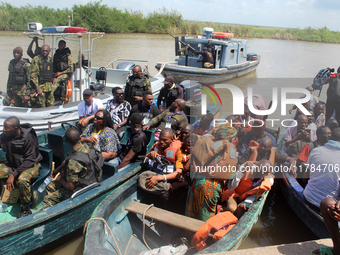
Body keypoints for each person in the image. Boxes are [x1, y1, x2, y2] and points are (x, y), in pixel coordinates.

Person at [43, 128, 100, 208]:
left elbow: (70, 187)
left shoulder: (73, 162)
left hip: (80, 189)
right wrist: (59, 168)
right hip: (91, 179)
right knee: (51, 186)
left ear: (66, 141)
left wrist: (60, 180)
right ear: (80, 138)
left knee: (47, 199)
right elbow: (71, 158)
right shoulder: (85, 147)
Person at [0, 117, 42, 218]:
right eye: (4, 127)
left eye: (6, 128)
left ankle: (25, 209)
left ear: (15, 128)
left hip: (31, 166)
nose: (4, 129)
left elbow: (30, 160)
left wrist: (13, 174)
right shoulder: (5, 135)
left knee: (22, 180)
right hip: (13, 165)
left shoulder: (28, 137)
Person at [138, 128, 184, 208]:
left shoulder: (178, 151)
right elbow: (143, 160)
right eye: (160, 139)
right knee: (142, 178)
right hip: (156, 173)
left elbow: (178, 173)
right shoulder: (156, 146)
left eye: (164, 140)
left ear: (172, 139)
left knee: (165, 196)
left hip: (169, 178)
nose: (161, 142)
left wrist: (158, 178)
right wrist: (149, 155)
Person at [303, 128, 340, 209]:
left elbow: (305, 178)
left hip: (308, 197)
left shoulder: (316, 151)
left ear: (330, 138)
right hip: (327, 206)